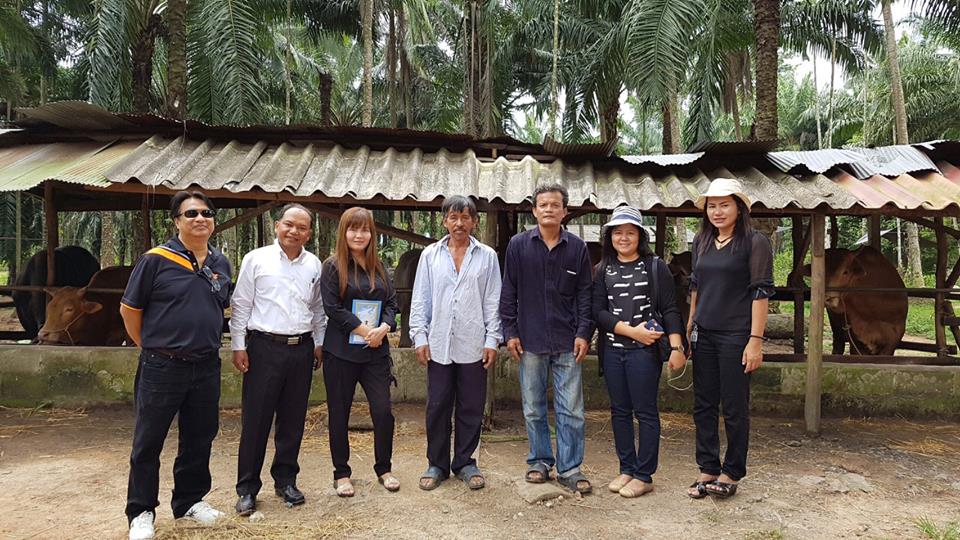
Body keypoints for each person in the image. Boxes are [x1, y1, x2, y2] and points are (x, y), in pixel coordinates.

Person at [120, 191, 232, 540]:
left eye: (206, 213)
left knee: (200, 436)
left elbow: (221, 308)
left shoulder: (221, 263)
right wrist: (150, 346)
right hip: (162, 366)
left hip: (206, 365)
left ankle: (189, 501)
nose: (200, 219)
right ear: (176, 221)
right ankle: (141, 511)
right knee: (148, 440)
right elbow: (130, 310)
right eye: (191, 213)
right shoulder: (155, 260)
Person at [229, 203, 326, 515]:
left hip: (301, 349)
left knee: (293, 420)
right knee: (256, 420)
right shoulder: (256, 259)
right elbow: (241, 304)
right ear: (276, 226)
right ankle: (247, 488)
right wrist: (239, 346)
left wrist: (319, 343)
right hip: (264, 348)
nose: (294, 231)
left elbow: (318, 309)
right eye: (289, 224)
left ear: (309, 234)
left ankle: (286, 481)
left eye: (302, 227)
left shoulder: (314, 265)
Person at [499, 183, 594, 494]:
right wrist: (510, 332)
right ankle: (539, 461)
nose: (549, 209)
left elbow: (585, 295)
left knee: (572, 410)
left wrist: (583, 333)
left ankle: (570, 469)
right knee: (533, 407)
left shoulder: (577, 248)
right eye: (543, 205)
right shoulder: (518, 246)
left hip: (568, 341)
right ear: (534, 211)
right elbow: (509, 291)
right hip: (529, 339)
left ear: (565, 211)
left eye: (555, 205)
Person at [685, 178, 773, 500]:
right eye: (712, 206)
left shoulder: (754, 242)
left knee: (734, 406)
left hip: (737, 335)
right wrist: (690, 326)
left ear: (739, 207)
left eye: (724, 205)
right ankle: (708, 467)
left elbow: (760, 292)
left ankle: (732, 471)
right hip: (704, 333)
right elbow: (696, 286)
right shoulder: (702, 240)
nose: (717, 211)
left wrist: (755, 340)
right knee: (703, 405)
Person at [591, 206, 686, 498]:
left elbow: (670, 308)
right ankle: (627, 468)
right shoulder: (603, 269)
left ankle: (644, 475)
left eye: (630, 233)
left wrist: (676, 346)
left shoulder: (655, 267)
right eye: (617, 232)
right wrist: (631, 331)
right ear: (610, 237)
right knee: (619, 411)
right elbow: (598, 312)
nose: (623, 238)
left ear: (640, 236)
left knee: (645, 411)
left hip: (644, 353)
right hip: (613, 351)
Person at [409, 195, 502, 491]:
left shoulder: (487, 256)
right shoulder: (430, 255)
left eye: (465, 217)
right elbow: (421, 298)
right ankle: (436, 464)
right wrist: (419, 336)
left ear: (474, 221)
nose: (459, 223)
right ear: (444, 221)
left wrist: (492, 340)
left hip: (473, 343)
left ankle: (465, 462)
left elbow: (493, 301)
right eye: (453, 217)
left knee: (471, 406)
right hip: (438, 343)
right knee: (437, 405)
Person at [320, 207, 400, 496]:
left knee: (383, 412)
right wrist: (365, 331)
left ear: (371, 234)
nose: (359, 235)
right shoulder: (332, 266)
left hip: (375, 354)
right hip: (340, 353)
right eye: (353, 229)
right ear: (344, 232)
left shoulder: (380, 267)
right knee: (339, 413)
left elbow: (392, 304)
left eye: (364, 229)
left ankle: (384, 468)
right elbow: (332, 308)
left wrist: (384, 328)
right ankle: (341, 473)